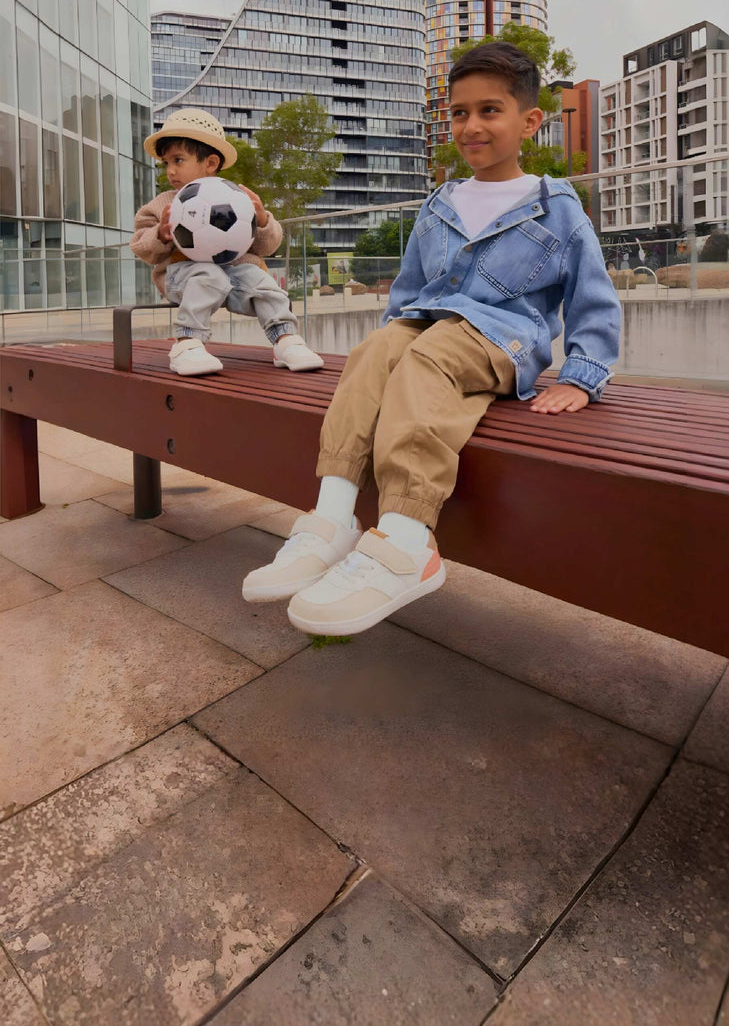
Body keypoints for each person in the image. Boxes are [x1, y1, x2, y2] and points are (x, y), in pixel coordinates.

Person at [242, 41, 621, 635]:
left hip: (504, 340)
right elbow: (411, 293)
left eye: (490, 111)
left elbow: (593, 299)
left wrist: (581, 376)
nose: (471, 126)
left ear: (529, 121)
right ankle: (333, 518)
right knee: (378, 350)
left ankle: (406, 543)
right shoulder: (440, 203)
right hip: (433, 328)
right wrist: (396, 342)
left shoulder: (557, 209)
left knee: (430, 357)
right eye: (460, 113)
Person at [131, 108, 323, 377]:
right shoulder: (162, 204)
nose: (171, 170)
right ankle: (187, 344)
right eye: (166, 163)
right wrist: (160, 235)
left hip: (232, 275)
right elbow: (139, 243)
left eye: (178, 160)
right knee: (208, 275)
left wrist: (263, 219)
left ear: (210, 163)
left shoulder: (236, 199)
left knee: (262, 282)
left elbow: (266, 247)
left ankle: (285, 339)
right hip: (180, 276)